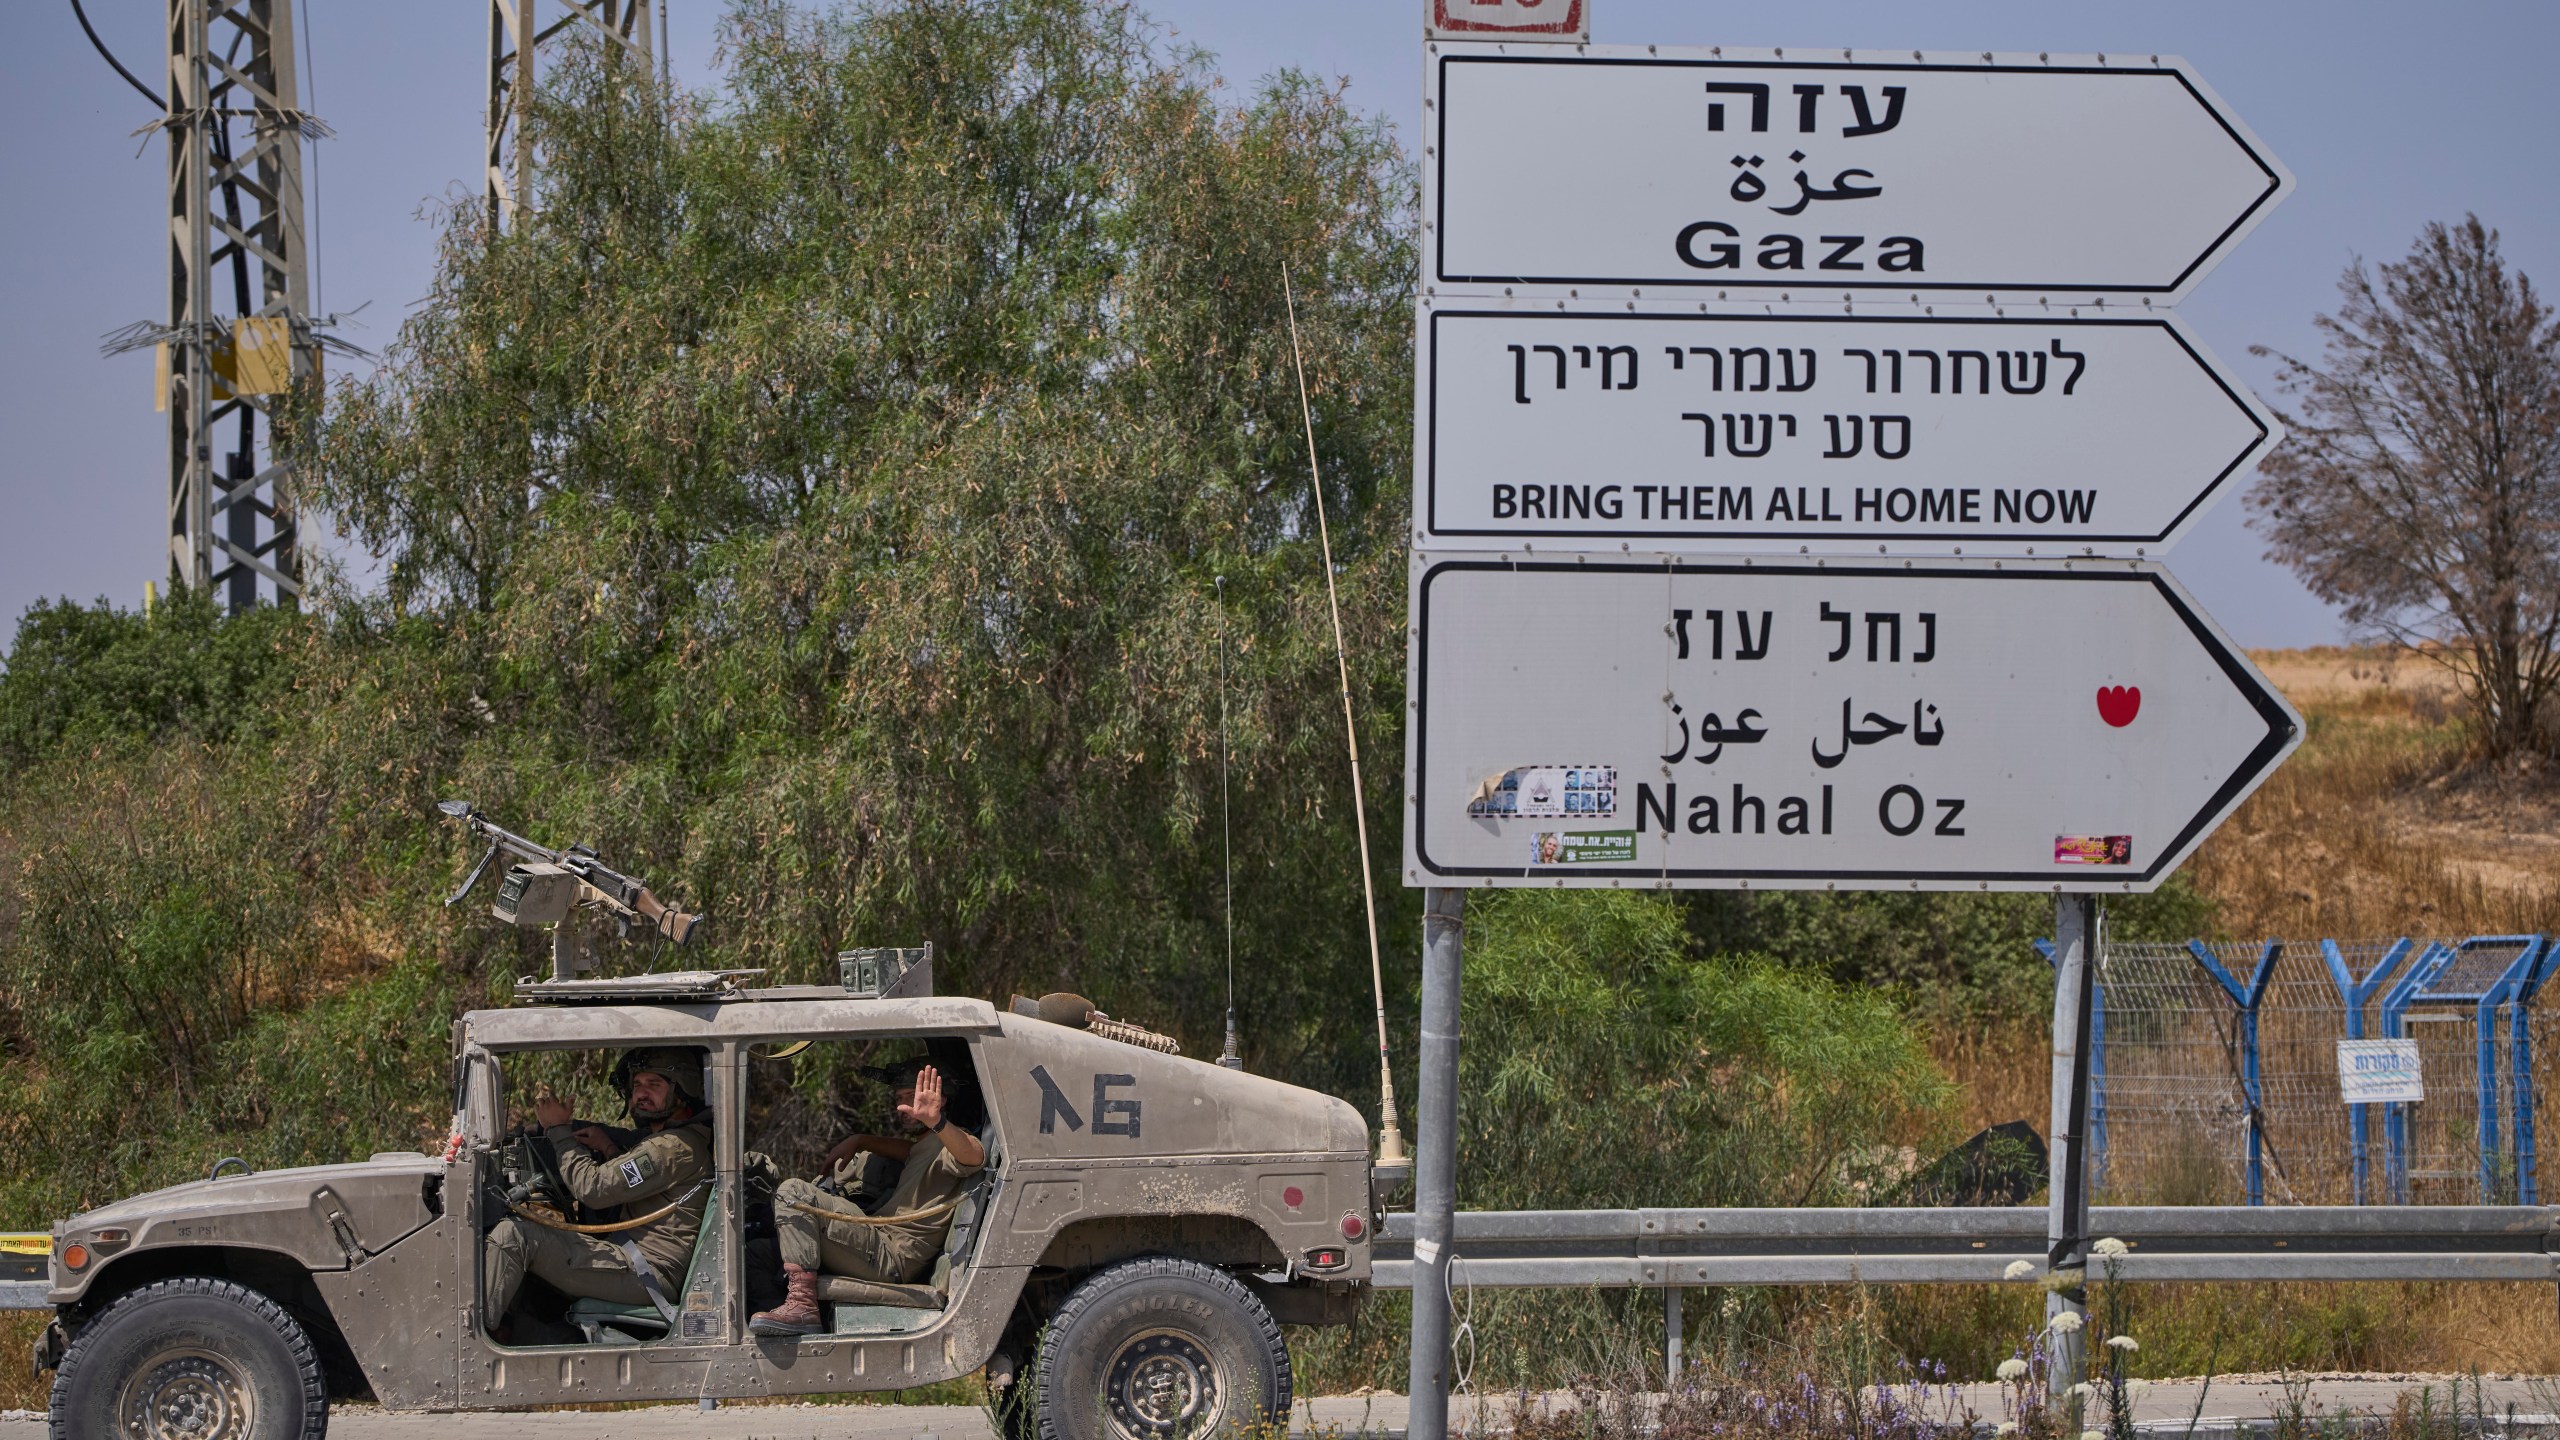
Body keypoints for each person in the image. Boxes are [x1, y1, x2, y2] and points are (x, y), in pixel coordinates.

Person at [481, 1046, 714, 1337]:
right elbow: (638, 1176)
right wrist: (607, 1147)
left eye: (654, 1085)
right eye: (637, 1085)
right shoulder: (673, 1141)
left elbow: (592, 1188)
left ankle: (472, 1346)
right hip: (639, 1262)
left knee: (512, 1236)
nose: (641, 1093)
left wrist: (558, 1131)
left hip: (648, 1273)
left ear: (683, 1089)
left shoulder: (670, 1148)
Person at [749, 1060, 984, 1337]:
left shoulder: (951, 1141)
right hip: (877, 1237)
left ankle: (802, 1306)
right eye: (899, 1098)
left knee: (793, 1193)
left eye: (912, 1096)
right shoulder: (925, 1146)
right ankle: (779, 1334)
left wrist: (937, 1121)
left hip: (892, 1255)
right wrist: (860, 1140)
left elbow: (974, 1157)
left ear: (941, 1100)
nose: (903, 1107)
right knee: (757, 1255)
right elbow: (909, 1151)